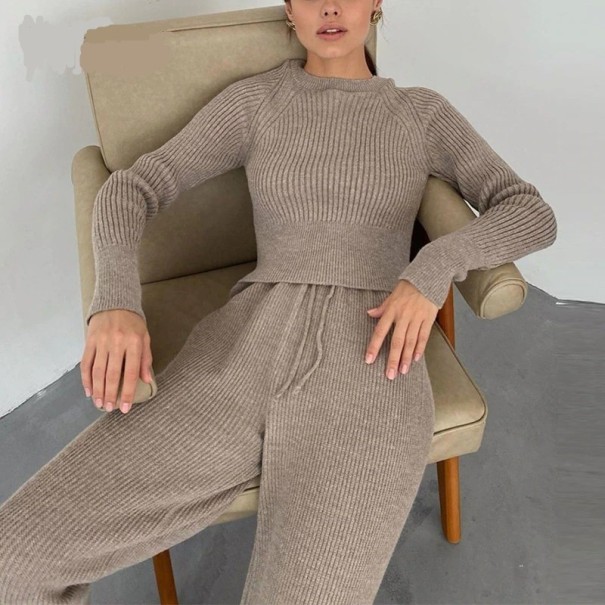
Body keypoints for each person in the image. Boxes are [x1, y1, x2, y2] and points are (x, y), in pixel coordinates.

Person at [0, 1, 557, 603]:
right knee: (16, 554)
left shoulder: (421, 114)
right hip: (242, 349)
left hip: (372, 364)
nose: (330, 7)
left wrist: (433, 267)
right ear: (290, 9)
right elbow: (130, 188)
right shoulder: (256, 103)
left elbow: (528, 210)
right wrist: (115, 301)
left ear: (377, 3)